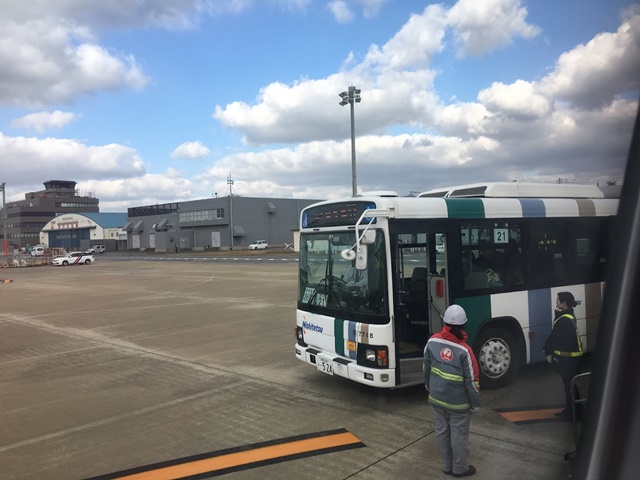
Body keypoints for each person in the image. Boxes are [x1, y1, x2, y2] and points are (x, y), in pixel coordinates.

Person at [423, 304, 480, 477]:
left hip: (436, 398)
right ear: (463, 325)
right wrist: (475, 404)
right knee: (459, 435)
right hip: (458, 403)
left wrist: (430, 388)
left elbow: (426, 369)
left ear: (445, 322)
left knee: (441, 431)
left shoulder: (432, 341)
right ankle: (459, 468)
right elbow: (473, 380)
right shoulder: (465, 350)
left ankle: (447, 466)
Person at [544, 291, 583, 420]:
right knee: (571, 384)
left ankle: (571, 412)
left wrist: (547, 350)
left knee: (569, 385)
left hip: (568, 358)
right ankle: (576, 409)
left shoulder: (564, 320)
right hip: (573, 357)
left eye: (558, 300)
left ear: (564, 303)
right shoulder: (568, 315)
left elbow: (556, 337)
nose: (556, 302)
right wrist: (558, 315)